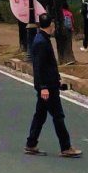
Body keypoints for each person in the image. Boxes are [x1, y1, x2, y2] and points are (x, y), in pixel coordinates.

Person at [25, 13, 82, 158]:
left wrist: (56, 77)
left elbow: (48, 65)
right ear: (50, 25)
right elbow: (39, 67)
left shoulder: (42, 39)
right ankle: (66, 147)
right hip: (48, 87)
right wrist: (43, 87)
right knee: (58, 116)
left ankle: (31, 143)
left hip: (49, 84)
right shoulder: (41, 42)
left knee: (40, 115)